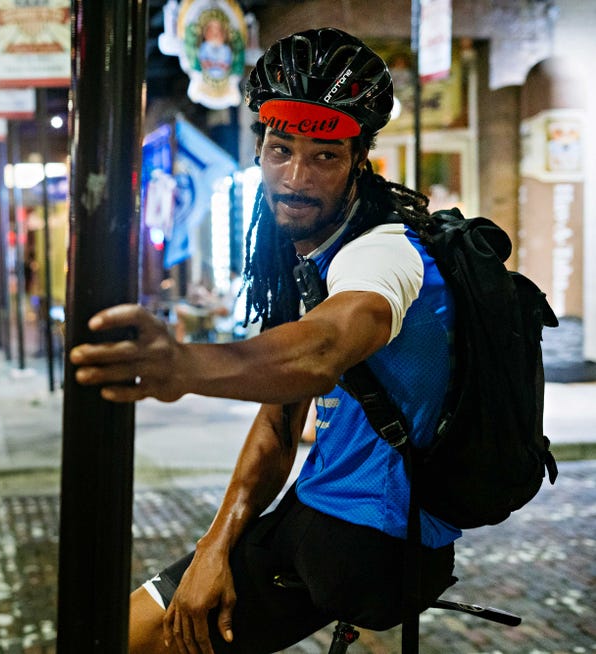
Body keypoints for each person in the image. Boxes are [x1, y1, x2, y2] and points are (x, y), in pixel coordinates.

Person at [69, 27, 460, 653]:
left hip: (369, 537)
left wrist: (186, 365)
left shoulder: (385, 253)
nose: (296, 178)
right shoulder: (312, 250)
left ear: (361, 160)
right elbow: (280, 424)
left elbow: (325, 348)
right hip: (327, 513)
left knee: (123, 639)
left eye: (325, 156)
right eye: (281, 150)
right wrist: (215, 543)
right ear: (260, 146)